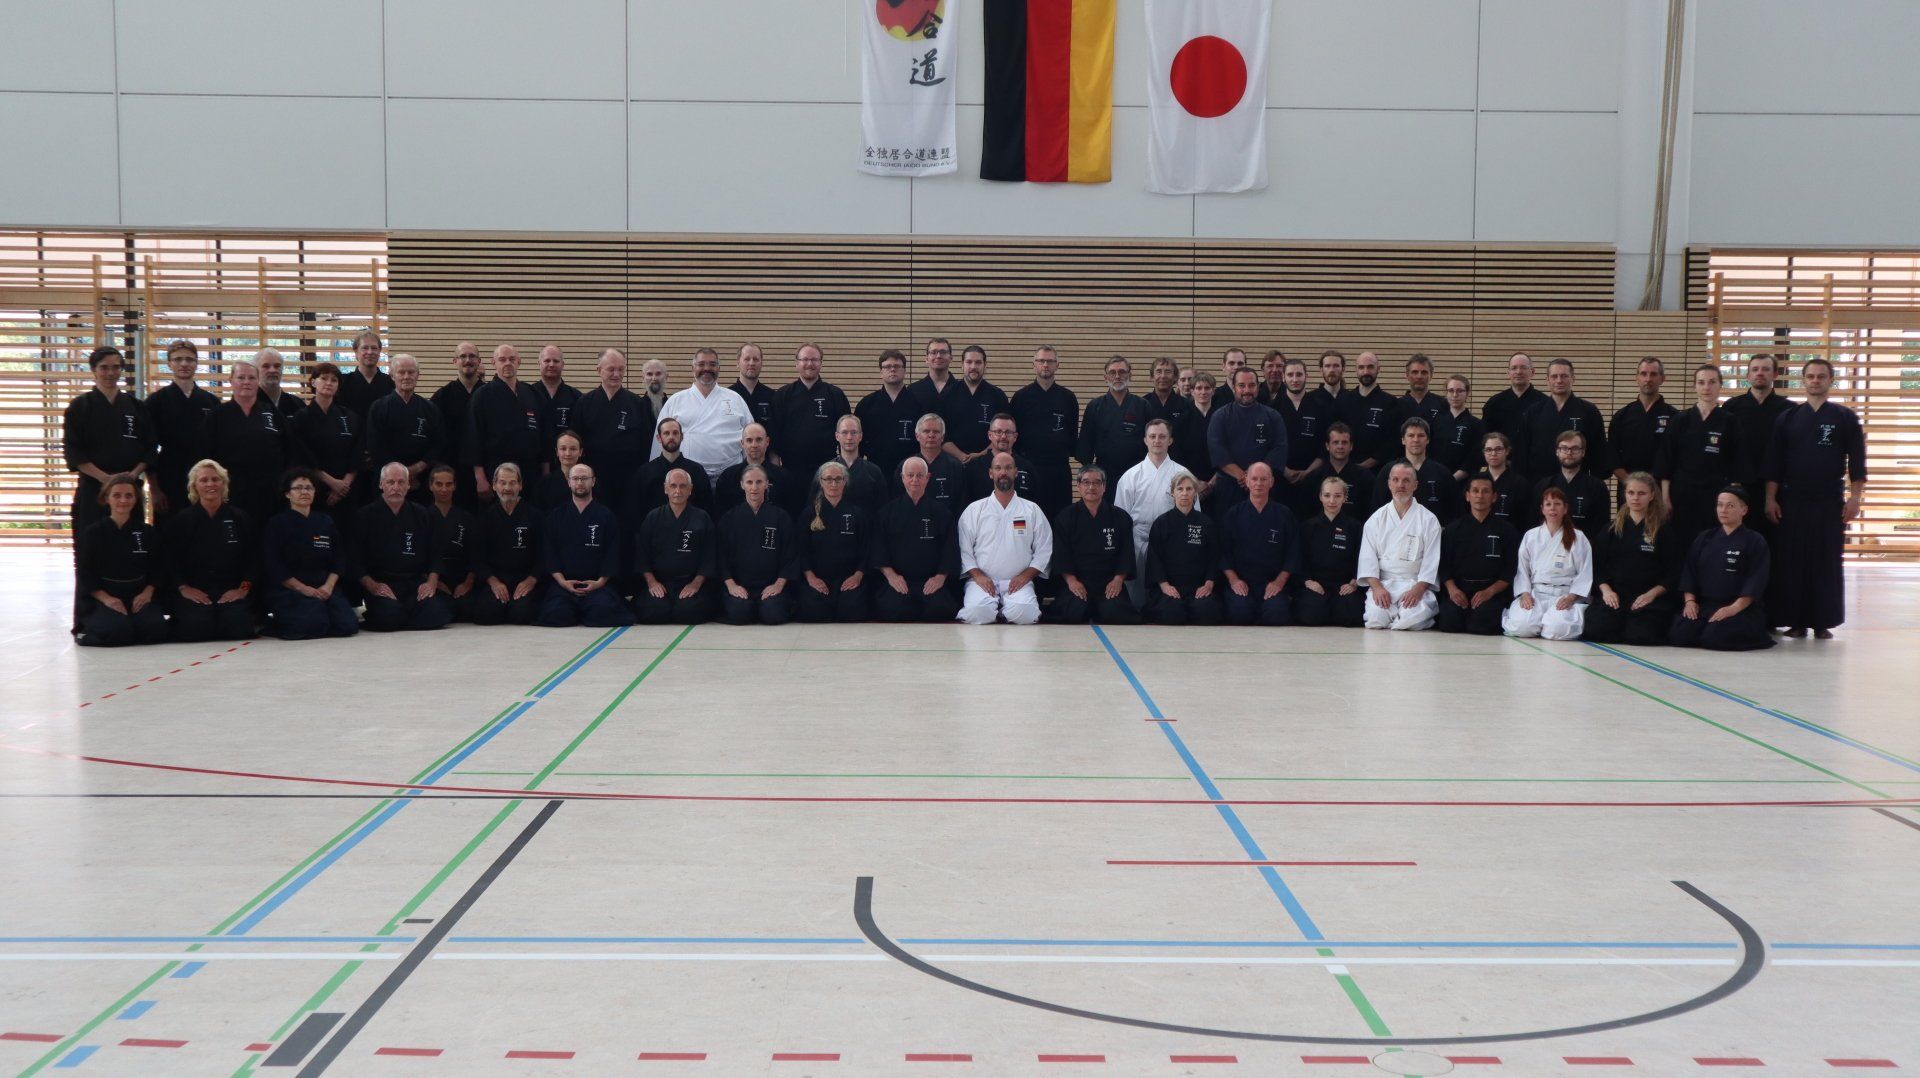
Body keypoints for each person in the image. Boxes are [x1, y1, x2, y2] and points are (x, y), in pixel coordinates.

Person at [1764, 358, 1867, 639]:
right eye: (1810, 376)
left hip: (1829, 500)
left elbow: (1857, 461)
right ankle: (1796, 621)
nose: (1815, 381)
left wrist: (1855, 498)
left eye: (1821, 376)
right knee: (1793, 560)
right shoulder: (1788, 418)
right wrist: (1770, 498)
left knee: (1826, 559)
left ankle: (1822, 621)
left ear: (1831, 380)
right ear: (1803, 380)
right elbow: (1774, 463)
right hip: (1792, 499)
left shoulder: (1844, 417)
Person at [62, 345, 156, 629]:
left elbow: (150, 449)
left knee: (131, 551)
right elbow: (74, 453)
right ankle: (87, 618)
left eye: (116, 367)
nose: (110, 373)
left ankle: (134, 611)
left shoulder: (136, 407)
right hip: (94, 491)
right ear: (93, 370)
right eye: (104, 367)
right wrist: (106, 479)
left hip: (130, 492)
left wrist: (131, 477)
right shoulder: (80, 407)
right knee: (89, 552)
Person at [161, 459, 257, 642]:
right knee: (196, 627)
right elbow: (170, 560)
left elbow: (254, 559)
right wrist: (184, 588)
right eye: (204, 480)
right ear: (194, 486)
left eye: (215, 479)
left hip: (230, 589)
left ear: (224, 483)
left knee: (237, 626)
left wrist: (242, 589)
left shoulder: (240, 518)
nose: (210, 484)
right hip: (195, 589)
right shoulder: (181, 521)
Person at [1671, 486, 1775, 651]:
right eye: (1720, 505)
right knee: (1680, 634)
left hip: (1740, 608)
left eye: (1730, 505)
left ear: (1744, 510)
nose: (1723, 510)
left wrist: (1733, 608)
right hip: (1707, 605)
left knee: (1715, 636)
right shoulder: (1705, 537)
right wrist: (1690, 602)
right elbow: (1690, 571)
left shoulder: (1754, 540)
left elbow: (1756, 579)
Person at [1585, 472, 1683, 646]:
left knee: (1639, 635)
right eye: (1631, 493)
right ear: (1625, 494)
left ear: (1652, 495)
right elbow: (1597, 566)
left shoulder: (1663, 531)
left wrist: (1651, 594)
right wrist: (1606, 591)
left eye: (1641, 493)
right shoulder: (1611, 529)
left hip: (1648, 598)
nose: (1635, 498)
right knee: (1595, 630)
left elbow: (1673, 572)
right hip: (1616, 595)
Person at [351, 462, 451, 633]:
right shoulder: (364, 516)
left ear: (408, 485)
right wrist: (372, 585)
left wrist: (431, 582)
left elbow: (435, 554)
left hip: (414, 583)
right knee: (389, 616)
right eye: (390, 482)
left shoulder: (422, 514)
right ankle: (397, 615)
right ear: (381, 484)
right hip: (382, 583)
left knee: (438, 612)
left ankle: (402, 615)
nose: (396, 487)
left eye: (401, 482)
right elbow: (355, 559)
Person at [957, 453, 1053, 625]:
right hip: (982, 582)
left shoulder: (1031, 509)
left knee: (1026, 614)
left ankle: (1002, 609)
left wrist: (1025, 576)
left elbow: (1044, 549)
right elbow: (964, 548)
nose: (1003, 472)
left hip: (1018, 582)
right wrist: (978, 576)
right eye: (998, 468)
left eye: (1008, 468)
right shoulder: (975, 509)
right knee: (977, 613)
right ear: (991, 473)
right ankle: (997, 609)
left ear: (1016, 473)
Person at [262, 468, 358, 640]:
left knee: (347, 625)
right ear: (288, 494)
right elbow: (275, 565)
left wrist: (328, 586)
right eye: (298, 488)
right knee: (312, 624)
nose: (304, 492)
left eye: (309, 487)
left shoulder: (325, 521)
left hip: (323, 587)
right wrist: (304, 589)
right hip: (292, 589)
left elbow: (339, 559)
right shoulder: (277, 524)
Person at [1657, 364, 1745, 548]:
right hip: (1682, 494)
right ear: (1694, 386)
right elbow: (1666, 462)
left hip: (1716, 494)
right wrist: (1665, 499)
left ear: (1720, 385)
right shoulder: (1679, 420)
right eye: (1701, 382)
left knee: (1712, 544)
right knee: (1681, 544)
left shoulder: (1730, 421)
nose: (1706, 387)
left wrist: (1733, 500)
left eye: (1712, 382)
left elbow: (1738, 464)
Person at [74, 473, 168, 647]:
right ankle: (88, 631)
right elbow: (85, 572)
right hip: (104, 596)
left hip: (138, 594)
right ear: (106, 498)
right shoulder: (93, 533)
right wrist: (106, 599)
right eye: (117, 495)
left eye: (128, 495)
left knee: (154, 628)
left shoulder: (146, 532)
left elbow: (157, 566)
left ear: (136, 499)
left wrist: (147, 593)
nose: (123, 500)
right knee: (117, 631)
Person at [539, 463, 632, 628]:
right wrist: (562, 582)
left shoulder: (606, 516)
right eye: (575, 479)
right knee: (556, 614)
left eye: (584, 478)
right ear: (569, 482)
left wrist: (600, 582)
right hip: (564, 585)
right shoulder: (556, 516)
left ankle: (586, 608)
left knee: (601, 612)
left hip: (598, 585)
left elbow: (613, 554)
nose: (579, 483)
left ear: (593, 481)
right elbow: (550, 553)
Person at [872, 456, 962, 623]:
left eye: (920, 475)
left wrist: (940, 577)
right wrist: (891, 576)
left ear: (928, 478)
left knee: (941, 609)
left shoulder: (942, 513)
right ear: (902, 478)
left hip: (930, 580)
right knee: (893, 609)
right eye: (910, 475)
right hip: (899, 579)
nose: (915, 480)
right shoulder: (887, 513)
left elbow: (950, 549)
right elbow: (879, 549)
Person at [1048, 465, 1139, 624]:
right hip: (1078, 580)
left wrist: (1118, 580)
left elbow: (1126, 553)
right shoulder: (1065, 517)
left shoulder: (1120, 517)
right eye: (1086, 482)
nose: (1091, 487)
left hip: (1108, 582)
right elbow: (1062, 555)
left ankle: (1100, 608)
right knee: (1074, 612)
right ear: (1079, 486)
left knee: (1114, 612)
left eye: (1097, 483)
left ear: (1104, 487)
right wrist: (1072, 581)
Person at [1358, 462, 1442, 631]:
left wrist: (1418, 589)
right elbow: (1368, 559)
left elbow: (1431, 561)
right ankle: (1393, 616)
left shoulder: (1429, 520)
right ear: (1389, 484)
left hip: (1415, 583)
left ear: (1415, 485)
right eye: (1395, 480)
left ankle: (1400, 616)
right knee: (1376, 620)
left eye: (1406, 480)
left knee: (1411, 620)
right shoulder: (1376, 519)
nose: (1400, 485)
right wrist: (1377, 588)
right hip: (1384, 584)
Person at [206, 358, 288, 526]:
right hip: (231, 489)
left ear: (258, 381)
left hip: (270, 490)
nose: (246, 382)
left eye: (251, 378)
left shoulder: (271, 412)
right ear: (231, 380)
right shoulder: (217, 415)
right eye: (241, 377)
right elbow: (205, 455)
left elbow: (289, 447)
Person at [1502, 487, 1593, 640]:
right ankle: (1539, 621)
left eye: (1557, 504)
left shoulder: (1578, 537)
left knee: (1556, 629)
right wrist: (1525, 593)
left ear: (1565, 508)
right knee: (1523, 628)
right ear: (1542, 509)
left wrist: (1571, 598)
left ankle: (1548, 622)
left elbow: (1585, 572)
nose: (1553, 508)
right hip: (1536, 593)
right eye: (1548, 504)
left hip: (1564, 595)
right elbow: (1522, 569)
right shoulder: (1531, 536)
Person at [650, 347, 752, 481]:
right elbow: (660, 441)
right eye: (701, 364)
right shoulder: (676, 401)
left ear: (719, 369)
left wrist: (752, 470)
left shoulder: (735, 399)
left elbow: (751, 436)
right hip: (686, 478)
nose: (707, 368)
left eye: (712, 364)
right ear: (693, 368)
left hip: (731, 476)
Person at [146, 340, 219, 525]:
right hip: (168, 475)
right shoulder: (156, 401)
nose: (184, 364)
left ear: (196, 363)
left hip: (203, 476)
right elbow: (148, 447)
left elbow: (219, 446)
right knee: (169, 529)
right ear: (169, 363)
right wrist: (154, 489)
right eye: (178, 359)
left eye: (189, 359)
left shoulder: (211, 402)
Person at [1219, 462, 1301, 626]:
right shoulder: (1233, 514)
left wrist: (1279, 582)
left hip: (1272, 582)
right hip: (1242, 581)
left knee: (1276, 614)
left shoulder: (1284, 515)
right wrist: (1234, 581)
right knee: (1239, 614)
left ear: (1271, 482)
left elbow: (1293, 553)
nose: (1259, 483)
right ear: (1247, 481)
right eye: (1254, 479)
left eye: (1263, 479)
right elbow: (1223, 552)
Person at [632, 466, 717, 624]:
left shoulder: (702, 518)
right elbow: (642, 554)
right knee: (654, 611)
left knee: (688, 611)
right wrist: (652, 583)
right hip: (660, 581)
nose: (678, 491)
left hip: (690, 581)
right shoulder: (653, 517)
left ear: (690, 489)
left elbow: (709, 556)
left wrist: (695, 584)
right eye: (673, 486)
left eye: (683, 486)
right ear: (666, 489)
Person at [1435, 474, 1518, 636]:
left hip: (1492, 591)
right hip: (1460, 589)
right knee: (1449, 622)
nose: (1480, 496)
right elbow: (1443, 565)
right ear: (1467, 496)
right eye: (1475, 491)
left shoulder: (1507, 530)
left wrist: (1489, 592)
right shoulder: (1453, 530)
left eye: (1485, 491)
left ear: (1494, 497)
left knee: (1481, 625)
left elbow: (1510, 570)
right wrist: (1453, 590)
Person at [717, 465, 800, 625]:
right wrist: (731, 585)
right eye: (749, 482)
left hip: (771, 584)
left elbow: (790, 554)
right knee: (739, 613)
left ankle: (763, 607)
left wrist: (778, 584)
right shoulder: (729, 519)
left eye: (759, 482)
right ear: (742, 485)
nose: (754, 487)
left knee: (772, 613)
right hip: (739, 585)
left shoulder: (780, 517)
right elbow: (721, 556)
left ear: (767, 484)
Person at [572, 347, 654, 508]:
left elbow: (645, 444)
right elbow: (576, 442)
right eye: (611, 369)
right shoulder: (584, 403)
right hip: (593, 479)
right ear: (599, 370)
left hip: (628, 479)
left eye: (621, 369)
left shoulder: (637, 403)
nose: (616, 374)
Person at [1724, 353, 1794, 541]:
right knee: (1739, 541)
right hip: (1740, 485)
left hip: (1777, 489)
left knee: (1775, 542)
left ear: (1775, 374)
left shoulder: (1789, 409)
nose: (1760, 373)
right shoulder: (1732, 407)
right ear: (1748, 375)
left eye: (1765, 369)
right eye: (1755, 369)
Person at [468, 343, 546, 504]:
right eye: (502, 359)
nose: (507, 363)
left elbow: (545, 435)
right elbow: (473, 437)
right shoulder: (482, 395)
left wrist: (546, 473)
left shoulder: (532, 393)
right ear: (493, 363)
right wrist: (480, 478)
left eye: (512, 359)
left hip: (530, 471)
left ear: (519, 361)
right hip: (496, 472)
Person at [1142, 472, 1224, 626]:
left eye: (1189, 489)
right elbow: (1154, 559)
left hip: (1198, 587)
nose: (1184, 493)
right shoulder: (1161, 523)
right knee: (1172, 613)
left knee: (1206, 611)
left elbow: (1214, 557)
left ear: (1195, 492)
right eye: (1180, 489)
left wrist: (1209, 583)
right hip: (1170, 587)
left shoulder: (1206, 523)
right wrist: (1164, 586)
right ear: (1173, 493)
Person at [1009, 345, 1081, 518]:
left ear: (1057, 365)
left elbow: (1072, 436)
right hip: (1028, 467)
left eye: (1050, 361)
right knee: (1028, 517)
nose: (1045, 365)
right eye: (1041, 361)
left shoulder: (1068, 398)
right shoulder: (1020, 397)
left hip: (1059, 469)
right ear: (1034, 364)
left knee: (1061, 517)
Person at [796, 461, 872, 622]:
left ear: (845, 482)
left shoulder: (857, 514)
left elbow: (866, 549)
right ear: (821, 482)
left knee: (852, 610)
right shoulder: (808, 514)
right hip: (817, 579)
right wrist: (811, 578)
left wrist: (858, 576)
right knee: (813, 610)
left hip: (849, 579)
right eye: (828, 479)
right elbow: (801, 550)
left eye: (838, 479)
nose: (833, 484)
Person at [289, 362, 365, 522]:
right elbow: (302, 456)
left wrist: (343, 485)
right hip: (316, 487)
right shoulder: (301, 417)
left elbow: (357, 452)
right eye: (324, 378)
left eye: (334, 380)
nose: (329, 383)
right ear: (313, 382)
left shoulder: (349, 416)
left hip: (347, 489)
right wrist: (332, 483)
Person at [1207, 368, 1286, 517]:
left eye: (1251, 385)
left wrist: (1256, 477)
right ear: (1234, 387)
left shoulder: (1272, 416)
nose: (1247, 390)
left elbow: (1279, 448)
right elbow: (1217, 450)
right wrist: (1243, 477)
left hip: (1263, 487)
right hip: (1229, 487)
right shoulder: (1220, 416)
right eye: (1241, 385)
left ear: (1258, 387)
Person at [472, 463, 543, 626]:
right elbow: (477, 557)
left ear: (520, 485)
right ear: (494, 485)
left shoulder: (535, 516)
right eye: (502, 483)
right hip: (497, 578)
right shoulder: (486, 518)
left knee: (521, 614)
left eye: (512, 483)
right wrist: (493, 582)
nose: (507, 488)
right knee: (486, 613)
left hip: (525, 579)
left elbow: (544, 554)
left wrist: (531, 580)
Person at [365, 353, 445, 498]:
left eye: (411, 372)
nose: (406, 376)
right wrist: (401, 474)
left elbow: (438, 444)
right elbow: (375, 446)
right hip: (387, 479)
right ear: (392, 375)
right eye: (401, 372)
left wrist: (417, 468)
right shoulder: (379, 407)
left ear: (418, 375)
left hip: (420, 479)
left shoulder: (430, 409)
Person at [1114, 419, 1193, 566]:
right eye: (1152, 436)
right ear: (1145, 440)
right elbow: (1120, 518)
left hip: (1174, 539)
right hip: (1138, 540)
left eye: (1162, 436)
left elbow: (1194, 514)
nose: (1157, 440)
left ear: (1170, 441)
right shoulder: (1130, 476)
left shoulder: (1182, 474)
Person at [771, 342, 851, 482]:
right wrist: (776, 473)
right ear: (797, 363)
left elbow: (845, 437)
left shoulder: (835, 395)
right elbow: (774, 438)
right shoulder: (783, 395)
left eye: (814, 359)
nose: (810, 364)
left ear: (821, 363)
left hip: (828, 472)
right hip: (791, 471)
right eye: (805, 359)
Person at [1520, 358, 1609, 482]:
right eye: (1554, 376)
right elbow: (1523, 452)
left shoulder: (1589, 411)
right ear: (1547, 380)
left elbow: (1599, 451)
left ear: (1573, 379)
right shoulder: (1533, 412)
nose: (1559, 380)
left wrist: (1594, 484)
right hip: (1540, 483)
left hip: (1579, 482)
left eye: (1564, 376)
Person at [1294, 477, 1366, 628]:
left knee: (1352, 614)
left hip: (1344, 585)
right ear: (1320, 496)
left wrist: (1354, 582)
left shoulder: (1355, 527)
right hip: (1316, 585)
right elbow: (1300, 559)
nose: (1331, 501)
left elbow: (1362, 558)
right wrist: (1308, 581)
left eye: (1337, 496)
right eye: (1327, 495)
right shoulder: (1308, 527)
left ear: (1344, 498)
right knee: (1310, 613)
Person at [1607, 357, 1675, 505]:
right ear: (1636, 378)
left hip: (1661, 492)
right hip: (1629, 491)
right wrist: (1633, 485)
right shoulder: (1622, 416)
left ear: (1662, 378)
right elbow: (1613, 457)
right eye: (1643, 374)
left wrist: (1656, 488)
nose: (1648, 379)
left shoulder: (1674, 417)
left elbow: (1676, 458)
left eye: (1653, 374)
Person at [1370, 417, 1459, 523]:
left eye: (1421, 435)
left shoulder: (1442, 473)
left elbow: (1455, 511)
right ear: (1403, 440)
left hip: (1433, 531)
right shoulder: (1388, 471)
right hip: (1395, 531)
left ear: (1428, 440)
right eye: (1411, 435)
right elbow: (1377, 508)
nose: (1416, 440)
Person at [430, 341, 486, 509]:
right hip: (451, 471)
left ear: (479, 361)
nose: (467, 360)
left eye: (472, 356)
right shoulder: (442, 396)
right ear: (455, 361)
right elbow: (433, 436)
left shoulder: (490, 394)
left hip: (485, 471)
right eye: (463, 356)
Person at [1268, 357, 1328, 515]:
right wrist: (1285, 470)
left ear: (1306, 376)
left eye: (1299, 374)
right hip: (1280, 479)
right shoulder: (1271, 409)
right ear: (1283, 377)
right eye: (1290, 375)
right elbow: (1267, 445)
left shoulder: (1320, 407)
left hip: (1312, 479)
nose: (1295, 379)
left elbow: (1325, 446)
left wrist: (1308, 472)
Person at [626, 416, 714, 523]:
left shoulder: (696, 471)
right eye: (666, 433)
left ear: (682, 437)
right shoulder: (645, 473)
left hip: (690, 530)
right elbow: (634, 512)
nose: (671, 437)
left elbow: (706, 510)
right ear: (659, 438)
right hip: (654, 530)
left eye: (675, 433)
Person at [1532, 431, 1610, 548]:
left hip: (1584, 548)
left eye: (1575, 448)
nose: (1569, 452)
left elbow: (1601, 526)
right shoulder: (1544, 485)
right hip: (1548, 547)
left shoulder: (1597, 487)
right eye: (1564, 448)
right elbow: (1535, 521)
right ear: (1557, 452)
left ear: (1583, 452)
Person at [1078, 356, 1151, 480]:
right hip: (1104, 474)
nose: (1117, 376)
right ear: (1106, 377)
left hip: (1137, 473)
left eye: (1122, 372)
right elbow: (1086, 445)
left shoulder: (1143, 405)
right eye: (1112, 372)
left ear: (1130, 376)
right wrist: (1091, 476)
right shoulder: (1095, 406)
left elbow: (1152, 442)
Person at [428, 464, 480, 621]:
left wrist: (467, 583)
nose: (444, 489)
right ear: (430, 486)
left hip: (460, 577)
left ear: (455, 486)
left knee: (470, 610)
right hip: (433, 578)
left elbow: (475, 554)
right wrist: (434, 581)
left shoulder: (466, 518)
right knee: (439, 609)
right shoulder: (422, 517)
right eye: (439, 484)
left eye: (448, 484)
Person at [856, 349, 920, 476]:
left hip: (911, 471)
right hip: (874, 470)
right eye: (887, 366)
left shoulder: (919, 403)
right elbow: (858, 442)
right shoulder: (866, 404)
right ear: (881, 372)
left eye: (897, 366)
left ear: (904, 370)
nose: (892, 369)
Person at [941, 345, 1009, 462]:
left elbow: (1005, 432)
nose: (973, 366)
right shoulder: (946, 395)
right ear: (962, 365)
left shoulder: (997, 395)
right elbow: (941, 433)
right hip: (953, 462)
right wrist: (961, 456)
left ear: (985, 365)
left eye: (978, 362)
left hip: (989, 461)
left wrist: (982, 455)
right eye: (969, 362)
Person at [714, 422, 795, 518]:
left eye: (759, 440)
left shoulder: (783, 478)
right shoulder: (728, 478)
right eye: (749, 440)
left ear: (767, 442)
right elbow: (722, 517)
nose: (754, 445)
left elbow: (790, 515)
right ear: (742, 444)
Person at [892, 413, 967, 514]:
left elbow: (961, 503)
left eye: (936, 432)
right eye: (926, 431)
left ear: (942, 437)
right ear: (917, 436)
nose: (931, 435)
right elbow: (897, 502)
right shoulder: (905, 466)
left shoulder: (955, 467)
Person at [1341, 351, 1402, 470]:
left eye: (1370, 367)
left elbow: (1393, 441)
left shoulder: (1390, 402)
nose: (1366, 372)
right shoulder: (1344, 401)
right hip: (1346, 469)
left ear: (1378, 369)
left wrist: (1369, 463)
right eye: (1361, 367)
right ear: (1356, 370)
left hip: (1378, 471)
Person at [1481, 352, 1544, 461]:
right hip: (1501, 464)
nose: (1518, 372)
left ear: (1532, 372)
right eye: (1514, 368)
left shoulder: (1544, 403)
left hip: (1535, 464)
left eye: (1523, 367)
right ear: (1508, 373)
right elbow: (1485, 437)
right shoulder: (1494, 403)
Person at [962, 412, 1037, 502]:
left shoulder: (1027, 468)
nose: (1003, 436)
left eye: (1008, 432)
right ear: (990, 435)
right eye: (998, 432)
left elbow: (1036, 503)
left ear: (1015, 437)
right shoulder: (974, 468)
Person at [822, 414, 887, 515]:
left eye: (854, 432)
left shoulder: (874, 472)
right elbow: (816, 508)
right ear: (837, 436)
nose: (849, 437)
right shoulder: (825, 471)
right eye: (844, 432)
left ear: (860, 436)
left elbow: (882, 511)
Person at [530, 344, 581, 465]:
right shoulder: (527, 394)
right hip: (533, 463)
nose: (551, 364)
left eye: (556, 361)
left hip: (566, 463)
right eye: (547, 360)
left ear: (563, 364)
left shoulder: (576, 397)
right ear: (539, 363)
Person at [1173, 371, 1220, 503]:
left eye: (1207, 388)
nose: (1203, 392)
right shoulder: (1181, 420)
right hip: (1189, 483)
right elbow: (1177, 454)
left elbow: (1227, 451)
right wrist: (1195, 482)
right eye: (1199, 388)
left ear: (1213, 391)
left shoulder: (1222, 418)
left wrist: (1213, 482)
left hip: (1219, 481)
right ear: (1192, 391)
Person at [1431, 375, 1484, 484]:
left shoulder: (1476, 424)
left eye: (1460, 391)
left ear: (1467, 393)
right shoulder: (1435, 421)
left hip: (1464, 482)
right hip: (1435, 479)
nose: (1455, 395)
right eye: (1451, 390)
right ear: (1446, 393)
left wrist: (1452, 479)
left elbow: (1474, 457)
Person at [336, 330, 394, 426]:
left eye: (374, 348)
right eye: (365, 348)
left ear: (379, 351)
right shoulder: (343, 382)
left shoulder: (391, 383)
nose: (370, 352)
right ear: (356, 351)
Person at [1318, 422, 1373, 517]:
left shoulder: (1365, 477)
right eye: (1335, 442)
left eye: (1344, 442)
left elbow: (1370, 510)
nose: (1340, 446)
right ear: (1327, 446)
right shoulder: (1315, 477)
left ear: (1351, 446)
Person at [1479, 431, 1528, 524]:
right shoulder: (1476, 481)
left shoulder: (1520, 483)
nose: (1493, 453)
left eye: (1498, 449)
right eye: (1488, 450)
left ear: (1507, 451)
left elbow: (1524, 516)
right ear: (1483, 452)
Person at [535, 429, 587, 512]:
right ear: (557, 452)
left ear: (580, 452)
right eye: (563, 448)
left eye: (573, 449)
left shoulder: (590, 481)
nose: (568, 453)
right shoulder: (544, 483)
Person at [729, 342, 776, 427]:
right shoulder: (727, 396)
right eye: (747, 359)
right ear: (738, 363)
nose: (751, 363)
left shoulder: (773, 397)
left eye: (756, 359)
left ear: (761, 364)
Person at [909, 337, 960, 415]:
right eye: (933, 352)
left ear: (951, 358)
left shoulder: (962, 390)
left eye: (943, 352)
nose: (938, 356)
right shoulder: (913, 390)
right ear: (926, 359)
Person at [255, 348, 305, 426]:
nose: (272, 370)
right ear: (256, 371)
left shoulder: (297, 404)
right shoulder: (248, 405)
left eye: (277, 366)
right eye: (266, 366)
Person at [1141, 356, 1189, 431]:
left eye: (1168, 372)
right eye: (1159, 372)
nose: (1163, 376)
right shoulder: (1142, 404)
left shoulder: (1187, 405)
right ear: (1152, 377)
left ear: (1175, 377)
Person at [1400, 353, 1444, 425]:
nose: (1419, 376)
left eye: (1424, 372)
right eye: (1415, 372)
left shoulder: (1443, 405)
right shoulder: (1397, 406)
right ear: (1407, 375)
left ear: (1431, 375)